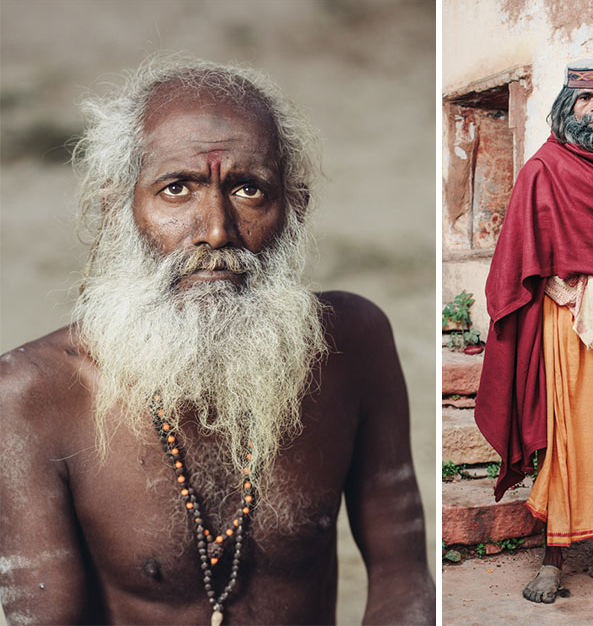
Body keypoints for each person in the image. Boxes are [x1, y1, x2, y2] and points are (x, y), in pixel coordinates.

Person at [0, 58, 434, 625]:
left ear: (294, 209)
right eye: (176, 189)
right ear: (117, 211)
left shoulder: (354, 345)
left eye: (249, 189)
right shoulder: (31, 394)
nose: (215, 229)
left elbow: (403, 579)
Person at [474, 58, 593, 604]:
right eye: (585, 101)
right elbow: (521, 249)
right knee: (568, 436)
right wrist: (555, 288)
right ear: (567, 105)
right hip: (565, 317)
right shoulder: (543, 168)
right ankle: (553, 558)